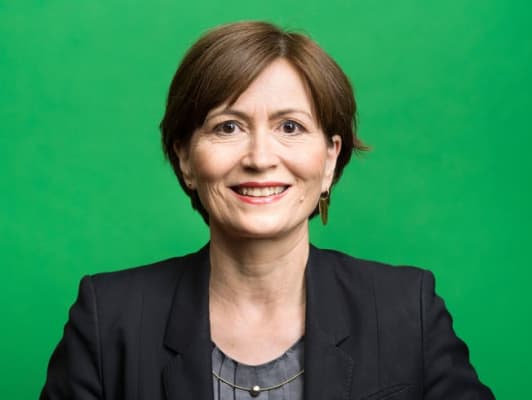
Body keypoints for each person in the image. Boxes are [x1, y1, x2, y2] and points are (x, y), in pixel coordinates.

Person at [41, 21, 494, 399]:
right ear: (185, 158)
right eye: (228, 127)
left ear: (330, 158)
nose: (260, 158)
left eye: (290, 127)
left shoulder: (407, 309)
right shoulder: (108, 318)